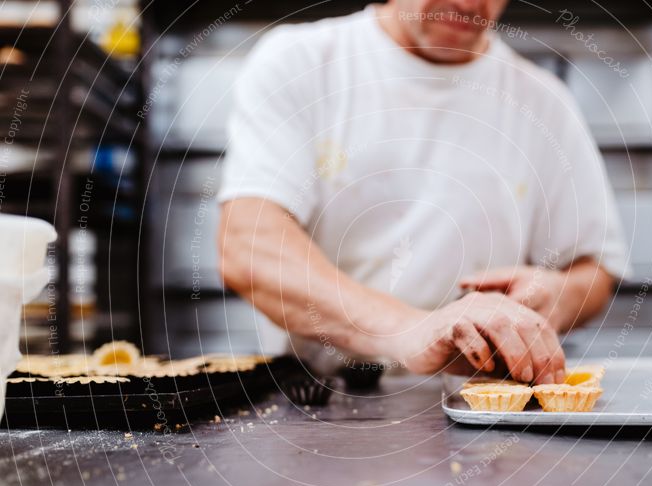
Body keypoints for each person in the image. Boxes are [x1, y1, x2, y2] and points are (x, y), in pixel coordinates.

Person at [216, 0, 628, 384]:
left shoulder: (543, 102)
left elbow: (593, 269)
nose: (467, 4)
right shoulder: (301, 63)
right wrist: (410, 330)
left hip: (481, 407)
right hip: (322, 398)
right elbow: (249, 246)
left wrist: (557, 297)